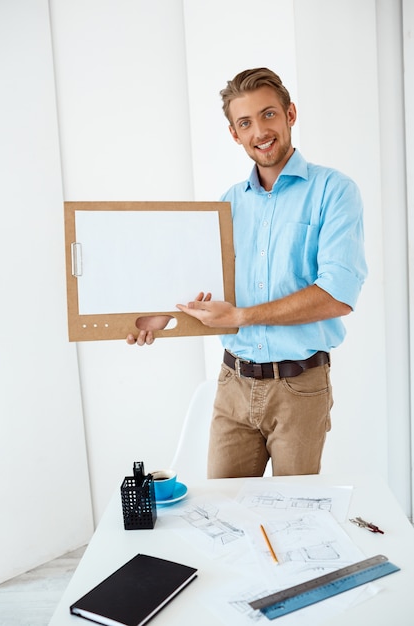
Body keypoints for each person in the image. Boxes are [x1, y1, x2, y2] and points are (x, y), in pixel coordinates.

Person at [127, 67, 367, 479]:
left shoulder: (334, 191)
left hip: (299, 387)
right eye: (245, 122)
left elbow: (337, 293)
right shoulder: (227, 204)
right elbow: (205, 283)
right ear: (234, 135)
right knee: (223, 515)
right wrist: (166, 315)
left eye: (269, 114)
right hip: (232, 384)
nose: (260, 131)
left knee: (293, 520)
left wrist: (242, 317)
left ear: (290, 114)